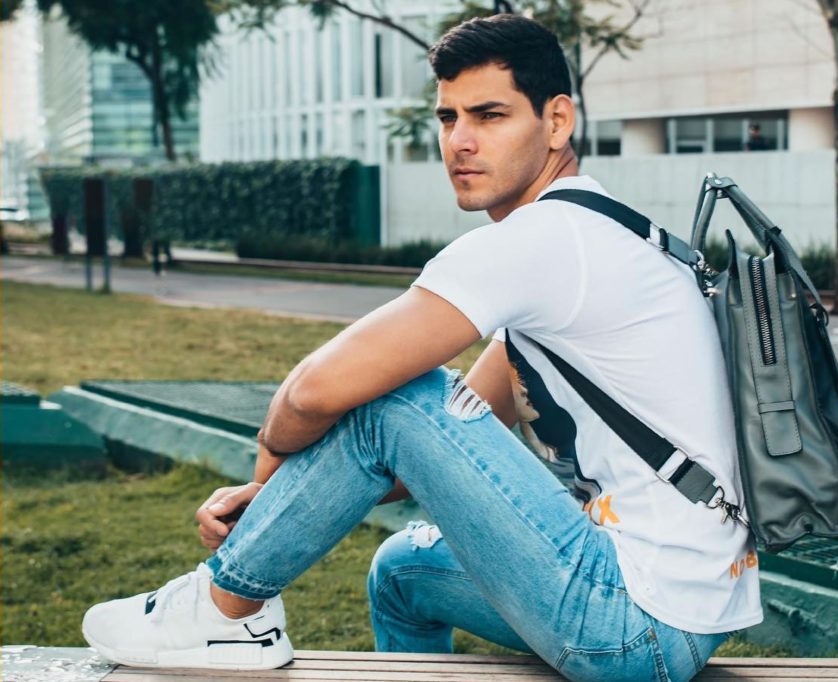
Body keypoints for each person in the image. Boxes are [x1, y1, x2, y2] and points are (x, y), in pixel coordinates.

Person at [81, 15, 762, 681]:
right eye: (447, 118)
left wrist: (264, 485)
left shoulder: (545, 240)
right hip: (680, 614)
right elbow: (443, 446)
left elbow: (314, 390)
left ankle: (224, 611)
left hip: (634, 620)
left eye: (489, 116)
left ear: (557, 122)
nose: (460, 141)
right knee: (402, 570)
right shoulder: (601, 232)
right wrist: (279, 508)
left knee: (401, 393)